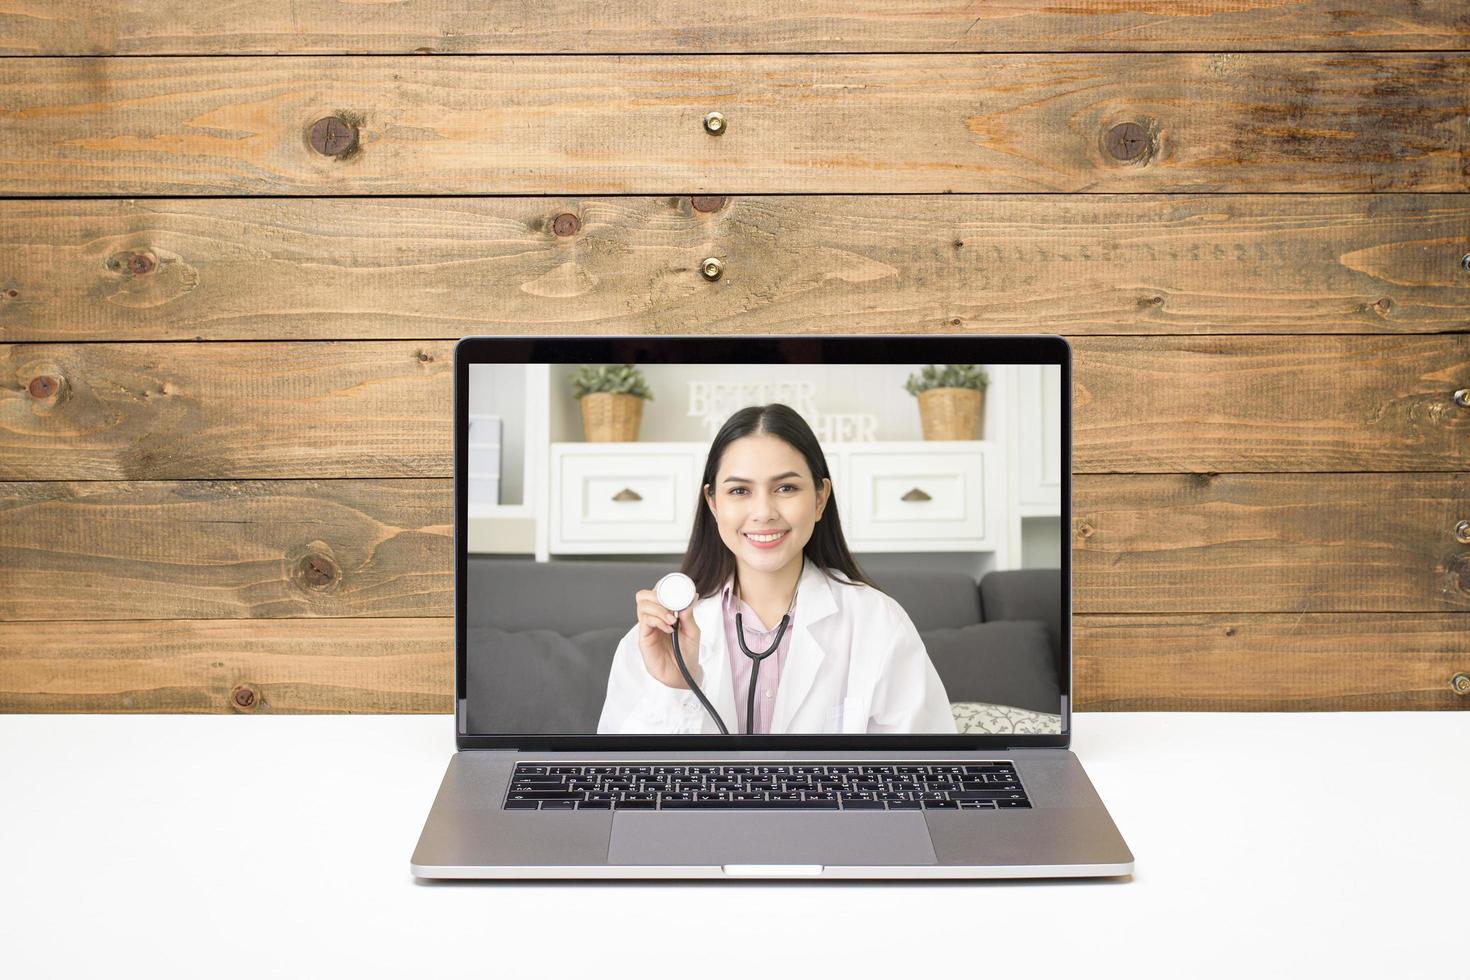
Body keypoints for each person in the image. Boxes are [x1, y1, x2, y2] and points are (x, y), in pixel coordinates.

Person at [597, 403, 955, 735]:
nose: (764, 511)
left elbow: (929, 773)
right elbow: (624, 786)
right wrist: (674, 686)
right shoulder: (658, 636)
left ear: (819, 499)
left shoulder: (878, 622)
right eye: (739, 491)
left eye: (786, 487)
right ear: (713, 504)